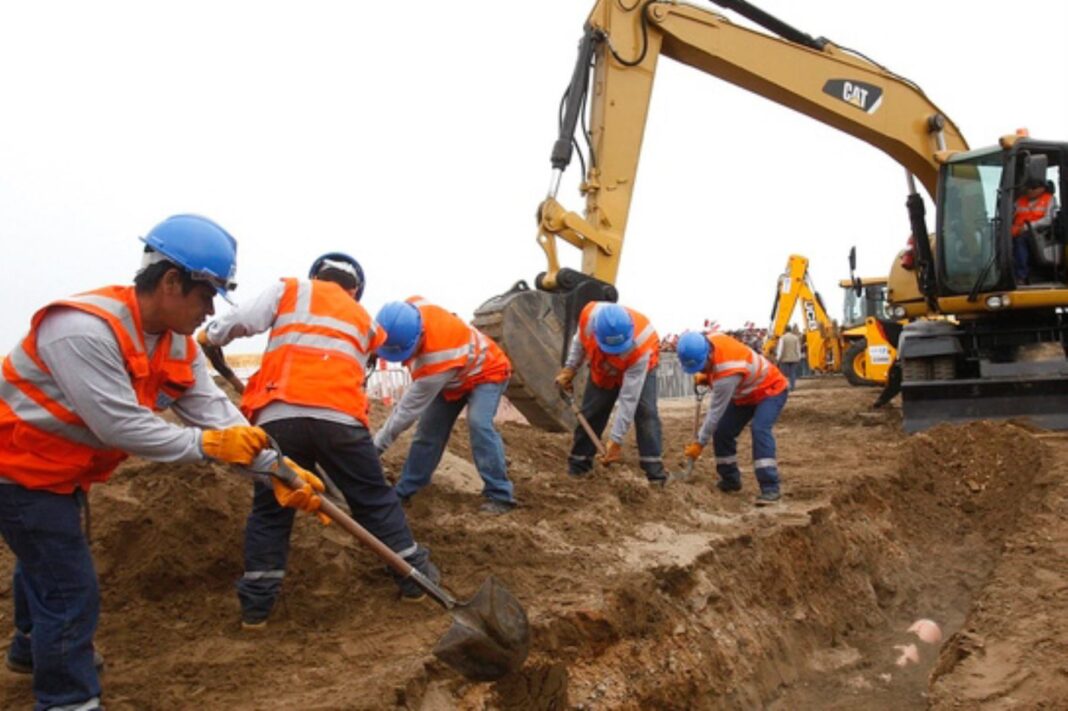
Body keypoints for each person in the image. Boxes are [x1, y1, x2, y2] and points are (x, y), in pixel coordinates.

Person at [0, 215, 324, 711]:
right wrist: (207, 447)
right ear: (172, 282)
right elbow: (119, 425)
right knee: (68, 589)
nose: (210, 310)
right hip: (18, 471)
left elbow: (216, 413)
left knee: (45, 562)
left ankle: (30, 648)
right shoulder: (81, 329)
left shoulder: (177, 345)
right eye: (207, 295)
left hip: (64, 472)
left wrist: (279, 470)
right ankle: (68, 699)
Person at [199, 254, 441, 622]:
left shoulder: (290, 290)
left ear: (315, 275)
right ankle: (416, 582)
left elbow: (236, 323)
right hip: (341, 422)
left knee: (271, 509)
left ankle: (256, 610)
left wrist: (210, 334)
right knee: (374, 499)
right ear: (355, 290)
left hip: (279, 416)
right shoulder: (367, 323)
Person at [373, 297, 517, 515]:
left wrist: (376, 448)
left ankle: (500, 494)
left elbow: (405, 412)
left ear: (420, 336)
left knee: (479, 424)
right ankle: (406, 490)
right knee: (428, 432)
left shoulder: (437, 358)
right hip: (455, 377)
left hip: (487, 371)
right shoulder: (410, 310)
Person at [554, 301, 666, 485]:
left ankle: (654, 472)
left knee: (646, 413)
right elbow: (579, 342)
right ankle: (579, 465)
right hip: (603, 368)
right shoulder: (588, 319)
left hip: (640, 368)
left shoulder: (641, 343)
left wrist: (616, 440)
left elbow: (628, 399)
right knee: (592, 411)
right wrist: (570, 368)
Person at [676, 329, 789, 506]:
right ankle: (730, 480)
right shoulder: (711, 340)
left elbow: (714, 413)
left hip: (770, 389)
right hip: (745, 394)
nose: (701, 369)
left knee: (759, 429)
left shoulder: (727, 372)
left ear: (708, 353)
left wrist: (699, 443)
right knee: (722, 432)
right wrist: (707, 374)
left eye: (702, 365)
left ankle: (770, 488)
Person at [1011, 175, 1058, 283]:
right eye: (1028, 188)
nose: (1030, 190)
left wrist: (1028, 227)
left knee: (1020, 240)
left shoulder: (1049, 199)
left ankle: (1022, 275)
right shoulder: (1020, 201)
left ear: (1042, 188)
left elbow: (1049, 219)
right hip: (1017, 229)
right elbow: (1011, 214)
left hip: (1039, 231)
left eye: (1033, 188)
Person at [775, 324, 803, 390]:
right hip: (794, 358)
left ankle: (785, 387)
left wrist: (778, 358)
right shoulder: (795, 338)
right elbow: (798, 349)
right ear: (791, 330)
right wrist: (799, 357)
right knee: (792, 373)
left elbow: (780, 349)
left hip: (784, 359)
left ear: (785, 330)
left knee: (784, 374)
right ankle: (792, 387)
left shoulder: (782, 338)